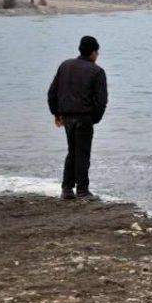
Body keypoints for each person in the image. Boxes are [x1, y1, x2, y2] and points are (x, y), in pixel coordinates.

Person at [48, 36, 108, 200]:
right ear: (93, 52)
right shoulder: (97, 71)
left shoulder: (65, 66)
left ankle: (67, 189)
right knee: (82, 154)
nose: (98, 55)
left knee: (72, 152)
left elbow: (52, 92)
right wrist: (94, 118)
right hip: (84, 117)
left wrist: (57, 113)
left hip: (67, 117)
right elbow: (101, 101)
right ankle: (82, 190)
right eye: (97, 52)